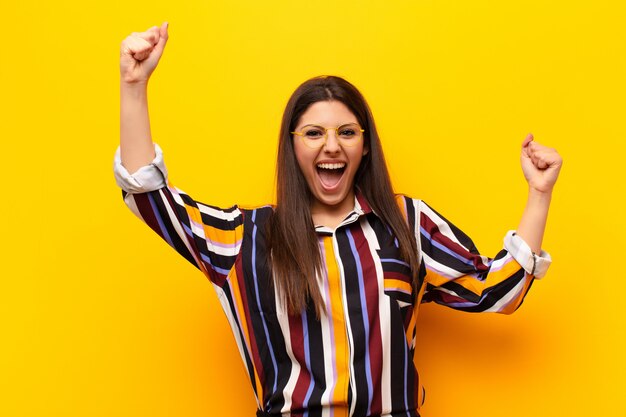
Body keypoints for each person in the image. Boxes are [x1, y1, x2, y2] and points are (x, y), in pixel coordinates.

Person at [114, 22, 562, 417]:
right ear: (293, 147)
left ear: (364, 146)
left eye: (347, 132)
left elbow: (495, 290)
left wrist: (539, 194)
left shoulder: (407, 224)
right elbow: (151, 200)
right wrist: (133, 86)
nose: (332, 146)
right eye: (313, 133)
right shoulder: (248, 239)